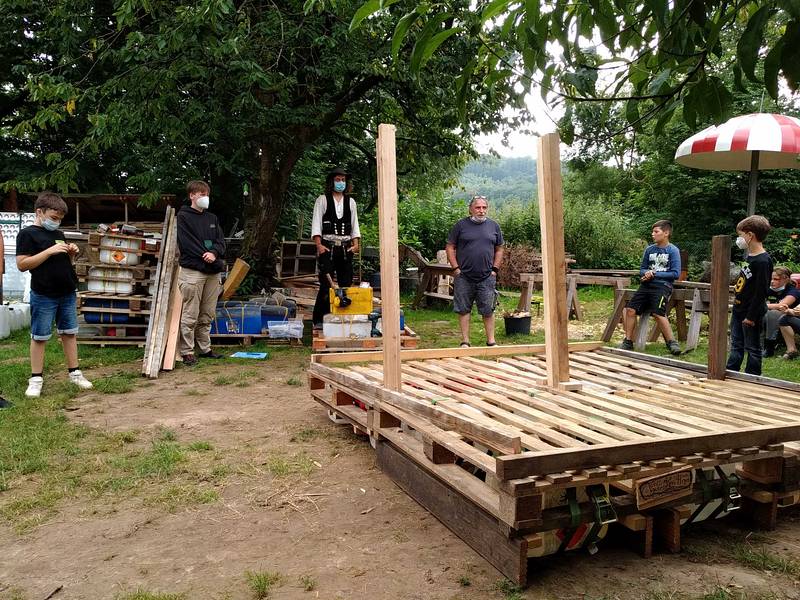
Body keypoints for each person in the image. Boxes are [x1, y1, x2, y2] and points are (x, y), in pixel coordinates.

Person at [16, 191, 93, 398]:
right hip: (44, 293)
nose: (57, 222)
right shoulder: (27, 234)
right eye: (53, 218)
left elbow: (64, 263)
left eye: (59, 219)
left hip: (67, 291)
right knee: (40, 336)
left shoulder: (58, 234)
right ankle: (35, 379)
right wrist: (48, 252)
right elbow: (22, 264)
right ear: (39, 212)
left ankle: (75, 373)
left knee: (69, 333)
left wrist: (71, 254)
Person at [177, 180, 226, 366]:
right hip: (193, 271)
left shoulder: (212, 218)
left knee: (207, 313)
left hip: (212, 272)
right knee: (190, 314)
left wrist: (213, 253)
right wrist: (204, 255)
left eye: (207, 194)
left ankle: (205, 348)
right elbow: (186, 243)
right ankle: (187, 351)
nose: (205, 197)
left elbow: (221, 242)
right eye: (201, 194)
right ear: (192, 195)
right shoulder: (183, 217)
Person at [446, 195, 504, 347]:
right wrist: (456, 268)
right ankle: (465, 341)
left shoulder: (494, 226)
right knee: (464, 309)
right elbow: (450, 246)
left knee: (488, 309)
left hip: (486, 276)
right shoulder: (460, 226)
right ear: (470, 209)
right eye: (478, 207)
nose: (481, 210)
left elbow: (499, 249)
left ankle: (491, 342)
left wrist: (495, 269)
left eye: (484, 207)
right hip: (464, 276)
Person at [619, 220, 682, 354]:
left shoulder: (673, 250)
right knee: (630, 310)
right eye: (652, 231)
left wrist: (654, 273)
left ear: (666, 233)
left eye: (656, 231)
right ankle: (628, 341)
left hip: (663, 286)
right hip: (646, 285)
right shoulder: (649, 250)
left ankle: (672, 343)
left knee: (658, 313)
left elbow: (675, 274)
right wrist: (646, 273)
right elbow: (642, 269)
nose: (653, 234)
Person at [311, 167, 361, 328]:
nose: (341, 183)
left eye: (343, 180)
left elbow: (355, 225)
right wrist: (319, 245)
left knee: (346, 283)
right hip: (328, 247)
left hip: (346, 249)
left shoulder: (351, 202)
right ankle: (320, 319)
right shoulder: (323, 200)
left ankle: (342, 319)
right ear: (332, 182)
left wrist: (356, 244)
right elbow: (316, 223)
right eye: (338, 180)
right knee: (326, 284)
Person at [726, 215, 773, 375]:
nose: (739, 239)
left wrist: (751, 316)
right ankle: (732, 370)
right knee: (736, 343)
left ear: (750, 235)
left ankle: (752, 377)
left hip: (751, 312)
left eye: (741, 235)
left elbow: (761, 292)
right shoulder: (749, 257)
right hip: (739, 308)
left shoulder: (762, 261)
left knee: (752, 347)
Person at [764, 266, 800, 356]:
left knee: (773, 313)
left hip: (791, 320)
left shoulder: (793, 291)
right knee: (757, 313)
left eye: (776, 279)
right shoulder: (770, 289)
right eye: (771, 279)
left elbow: (782, 305)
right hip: (776, 319)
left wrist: (762, 306)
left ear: (786, 279)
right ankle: (755, 345)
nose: (772, 281)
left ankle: (769, 347)